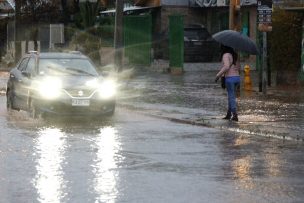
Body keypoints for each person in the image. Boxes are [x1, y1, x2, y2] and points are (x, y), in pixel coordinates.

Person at [215, 45, 240, 121]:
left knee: (231, 96)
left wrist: (218, 75)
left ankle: (234, 114)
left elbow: (226, 66)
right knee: (231, 96)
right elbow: (239, 67)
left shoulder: (226, 55)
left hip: (230, 78)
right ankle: (229, 114)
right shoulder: (234, 55)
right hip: (237, 78)